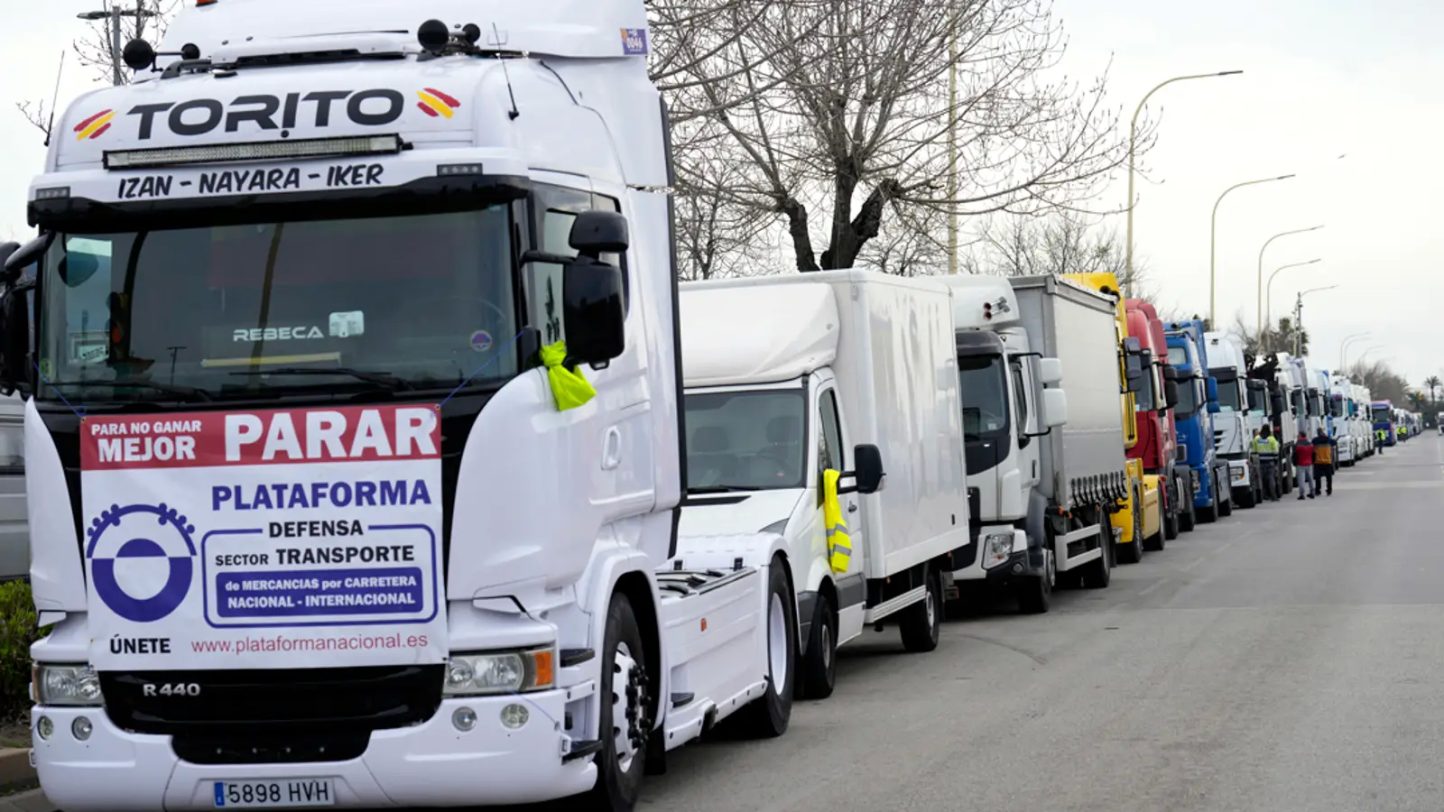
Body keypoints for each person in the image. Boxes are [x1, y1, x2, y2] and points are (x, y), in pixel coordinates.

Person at [1253, 425, 1281, 502]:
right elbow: (1276, 451)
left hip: (1260, 463)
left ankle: (1263, 496)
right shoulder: (1272, 439)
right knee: (1271, 479)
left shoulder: (1256, 439)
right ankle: (1273, 496)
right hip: (1270, 463)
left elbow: (1254, 451)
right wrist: (1275, 461)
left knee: (1261, 480)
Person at [1312, 428, 1337, 497]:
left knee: (1317, 478)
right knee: (1328, 477)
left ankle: (1318, 490)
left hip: (1318, 461)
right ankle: (1329, 490)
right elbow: (1335, 442)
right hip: (1327, 461)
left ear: (1317, 433)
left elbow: (1312, 445)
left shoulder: (1315, 440)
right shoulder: (1329, 440)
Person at [1294, 432, 1315, 499]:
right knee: (1310, 479)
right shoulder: (1310, 443)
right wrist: (1312, 461)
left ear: (1300, 436)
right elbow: (1313, 454)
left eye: (1298, 435)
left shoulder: (1297, 444)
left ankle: (1302, 494)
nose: (1297, 437)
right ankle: (1312, 492)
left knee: (1301, 480)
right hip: (1309, 463)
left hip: (1300, 464)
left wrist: (1295, 463)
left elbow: (1295, 455)